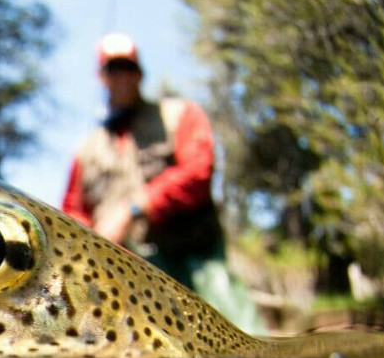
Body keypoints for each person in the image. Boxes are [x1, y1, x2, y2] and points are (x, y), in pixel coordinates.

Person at [62, 33, 261, 332]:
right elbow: (72, 212)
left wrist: (135, 208)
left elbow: (198, 172)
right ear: (102, 77)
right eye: (114, 69)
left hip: (196, 263)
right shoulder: (86, 150)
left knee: (241, 338)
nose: (123, 77)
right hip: (126, 283)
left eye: (128, 68)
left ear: (141, 74)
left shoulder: (180, 115)